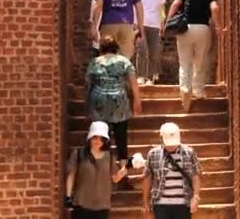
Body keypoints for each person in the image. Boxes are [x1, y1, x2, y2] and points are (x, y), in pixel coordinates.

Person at [86, 35, 142, 188]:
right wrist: (137, 101)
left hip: (98, 102)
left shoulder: (95, 62)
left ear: (102, 49)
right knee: (121, 140)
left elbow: (88, 84)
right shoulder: (124, 61)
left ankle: (98, 176)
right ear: (116, 48)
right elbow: (133, 83)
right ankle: (123, 177)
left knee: (100, 139)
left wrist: (88, 106)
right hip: (119, 103)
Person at [168, 0, 224, 111]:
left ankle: (185, 88)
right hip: (203, 29)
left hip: (185, 29)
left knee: (184, 62)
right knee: (200, 61)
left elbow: (175, 5)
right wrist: (218, 26)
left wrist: (168, 21)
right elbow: (214, 8)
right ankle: (198, 90)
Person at [65, 121, 128, 219]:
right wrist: (68, 197)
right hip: (81, 205)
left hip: (102, 207)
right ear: (90, 138)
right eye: (95, 137)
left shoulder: (110, 157)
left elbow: (115, 178)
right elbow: (71, 175)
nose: (97, 141)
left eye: (101, 138)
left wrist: (125, 170)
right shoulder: (78, 154)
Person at [141, 122, 202, 219]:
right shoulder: (153, 154)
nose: (171, 146)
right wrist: (145, 203)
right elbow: (147, 178)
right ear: (161, 139)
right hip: (161, 204)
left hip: (183, 203)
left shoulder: (189, 153)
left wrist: (196, 197)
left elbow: (195, 175)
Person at [135, 0, 166, 85]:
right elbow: (134, 7)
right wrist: (135, 23)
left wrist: (162, 23)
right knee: (142, 50)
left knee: (154, 51)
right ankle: (141, 75)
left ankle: (150, 77)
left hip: (155, 23)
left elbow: (161, 7)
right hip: (140, 22)